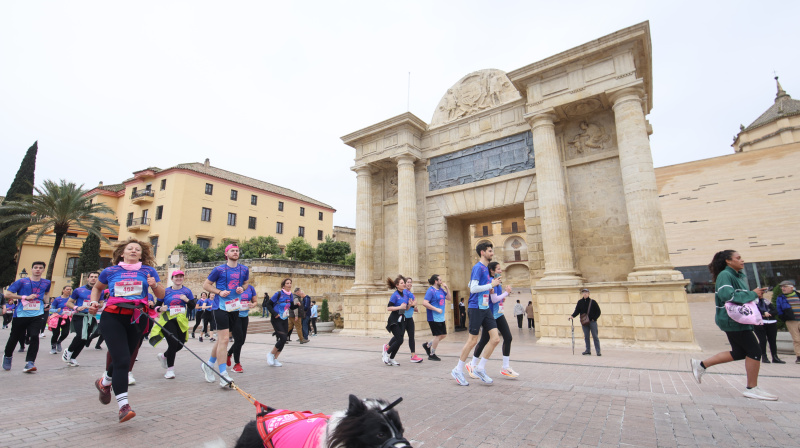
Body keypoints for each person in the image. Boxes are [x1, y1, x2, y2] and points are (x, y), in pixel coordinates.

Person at [91, 238, 165, 422]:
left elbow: (161, 295)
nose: (133, 251)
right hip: (113, 316)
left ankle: (105, 382)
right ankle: (123, 406)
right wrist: (93, 302)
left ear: (142, 254)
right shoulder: (110, 271)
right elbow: (97, 288)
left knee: (124, 356)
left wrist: (154, 285)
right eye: (129, 248)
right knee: (123, 359)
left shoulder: (148, 271)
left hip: (137, 318)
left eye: (137, 249)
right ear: (122, 253)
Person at [690, 250, 776, 401]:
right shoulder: (726, 275)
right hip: (733, 320)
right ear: (728, 261)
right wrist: (753, 294)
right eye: (738, 258)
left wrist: (753, 294)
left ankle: (701, 365)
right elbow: (727, 296)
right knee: (755, 350)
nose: (742, 260)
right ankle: (752, 388)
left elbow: (737, 296)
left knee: (739, 352)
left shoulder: (735, 276)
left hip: (736, 319)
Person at [451, 242, 502, 386]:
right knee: (473, 341)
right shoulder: (478, 267)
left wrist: (488, 289)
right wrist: (491, 285)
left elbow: (471, 284)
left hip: (485, 308)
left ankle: (480, 368)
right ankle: (458, 370)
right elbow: (473, 289)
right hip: (475, 308)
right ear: (482, 252)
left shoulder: (485, 269)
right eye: (490, 251)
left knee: (495, 339)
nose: (492, 253)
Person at [202, 244, 249, 387]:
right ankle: (223, 375)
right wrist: (219, 292)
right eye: (232, 251)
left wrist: (242, 288)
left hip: (235, 307)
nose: (235, 253)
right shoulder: (219, 269)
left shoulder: (244, 269)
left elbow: (246, 283)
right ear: (226, 253)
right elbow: (206, 285)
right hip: (220, 307)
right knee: (224, 340)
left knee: (222, 340)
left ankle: (208, 365)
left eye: (237, 251)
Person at [468, 262, 518, 378]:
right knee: (484, 340)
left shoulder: (497, 283)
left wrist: (503, 297)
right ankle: (473, 363)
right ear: (492, 270)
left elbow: (496, 299)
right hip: (490, 314)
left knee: (508, 337)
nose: (501, 271)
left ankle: (505, 367)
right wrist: (506, 293)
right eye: (498, 269)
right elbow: (494, 299)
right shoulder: (491, 282)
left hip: (499, 314)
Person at [2, 261, 52, 373]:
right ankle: (8, 356)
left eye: (40, 268)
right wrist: (24, 297)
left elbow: (46, 293)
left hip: (37, 314)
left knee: (34, 336)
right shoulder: (22, 281)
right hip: (21, 314)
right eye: (35, 267)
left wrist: (47, 303)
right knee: (14, 337)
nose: (38, 269)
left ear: (43, 270)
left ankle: (30, 362)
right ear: (32, 269)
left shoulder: (46, 282)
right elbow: (7, 294)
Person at [151, 270, 194, 379]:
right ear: (172, 279)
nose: (179, 279)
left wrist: (187, 300)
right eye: (176, 277)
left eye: (181, 277)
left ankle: (164, 356)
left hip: (181, 320)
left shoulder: (187, 291)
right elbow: (156, 306)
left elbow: (193, 306)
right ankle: (170, 370)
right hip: (167, 320)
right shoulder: (165, 291)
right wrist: (161, 308)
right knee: (173, 343)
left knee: (180, 344)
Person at [63, 271, 101, 366]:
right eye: (91, 276)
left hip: (91, 317)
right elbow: (69, 303)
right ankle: (69, 350)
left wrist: (96, 305)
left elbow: (101, 304)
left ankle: (73, 358)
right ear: (87, 278)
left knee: (85, 338)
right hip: (79, 316)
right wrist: (77, 307)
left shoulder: (101, 290)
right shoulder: (78, 290)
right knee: (81, 335)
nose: (93, 278)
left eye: (96, 277)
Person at [227, 284, 257, 373]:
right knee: (239, 339)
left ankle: (228, 354)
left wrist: (253, 304)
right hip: (235, 316)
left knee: (242, 341)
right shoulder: (232, 285)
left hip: (245, 316)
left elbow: (255, 301)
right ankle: (237, 364)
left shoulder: (250, 287)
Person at [421, 274, 450, 361]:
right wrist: (436, 309)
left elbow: (449, 298)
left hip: (441, 317)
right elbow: (425, 303)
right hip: (433, 317)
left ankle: (428, 345)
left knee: (443, 335)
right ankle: (432, 354)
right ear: (435, 281)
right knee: (438, 335)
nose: (441, 281)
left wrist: (447, 288)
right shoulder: (431, 290)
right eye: (440, 280)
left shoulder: (441, 290)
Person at [266, 278, 295, 366]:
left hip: (284, 318)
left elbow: (292, 307)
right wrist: (274, 313)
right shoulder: (278, 294)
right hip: (276, 318)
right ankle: (270, 354)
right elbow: (268, 304)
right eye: (287, 283)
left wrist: (298, 305)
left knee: (284, 339)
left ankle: (275, 359)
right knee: (282, 338)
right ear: (283, 285)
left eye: (290, 283)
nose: (289, 285)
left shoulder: (290, 295)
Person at [383, 275, 408, 366]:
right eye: (402, 283)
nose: (404, 284)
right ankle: (387, 353)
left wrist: (410, 305)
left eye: (404, 283)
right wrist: (399, 307)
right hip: (394, 319)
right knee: (399, 339)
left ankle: (392, 358)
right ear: (397, 285)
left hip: (402, 319)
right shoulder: (395, 295)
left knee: (400, 340)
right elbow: (389, 308)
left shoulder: (405, 294)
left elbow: (405, 308)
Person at [569, 288, 602, 356]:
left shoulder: (593, 302)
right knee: (586, 336)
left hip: (592, 322)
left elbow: (598, 311)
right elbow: (577, 311)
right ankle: (588, 350)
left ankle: (598, 351)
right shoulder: (580, 302)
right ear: (582, 294)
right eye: (583, 292)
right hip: (584, 322)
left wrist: (594, 319)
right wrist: (572, 316)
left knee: (595, 336)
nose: (585, 293)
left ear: (589, 294)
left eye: (586, 292)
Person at [754, 290, 784, 364]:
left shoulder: (766, 301)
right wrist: (763, 314)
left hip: (771, 322)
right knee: (763, 340)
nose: (761, 294)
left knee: (772, 340)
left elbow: (775, 310)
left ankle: (775, 357)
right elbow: (753, 312)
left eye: (761, 293)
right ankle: (764, 356)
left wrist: (769, 313)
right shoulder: (753, 302)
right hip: (760, 323)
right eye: (759, 293)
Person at [775, 280, 800, 364]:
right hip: (791, 321)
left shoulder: (798, 295)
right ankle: (799, 356)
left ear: (791, 287)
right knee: (797, 339)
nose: (783, 288)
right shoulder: (780, 297)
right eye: (782, 287)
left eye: (785, 286)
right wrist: (784, 318)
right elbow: (779, 309)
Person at [399, 278, 422, 363]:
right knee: (399, 337)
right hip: (403, 318)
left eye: (410, 282)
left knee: (412, 337)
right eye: (407, 282)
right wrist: (412, 304)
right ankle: (387, 347)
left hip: (410, 318)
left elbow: (412, 304)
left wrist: (414, 308)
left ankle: (413, 355)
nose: (409, 283)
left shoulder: (411, 294)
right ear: (405, 284)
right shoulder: (404, 292)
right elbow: (405, 305)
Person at [48, 285, 73, 354]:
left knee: (65, 333)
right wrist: (57, 310)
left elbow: (74, 307)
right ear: (63, 290)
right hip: (57, 318)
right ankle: (53, 347)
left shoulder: (71, 299)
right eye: (67, 289)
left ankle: (59, 342)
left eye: (70, 289)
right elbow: (51, 309)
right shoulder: (57, 299)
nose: (69, 291)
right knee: (56, 333)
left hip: (67, 318)